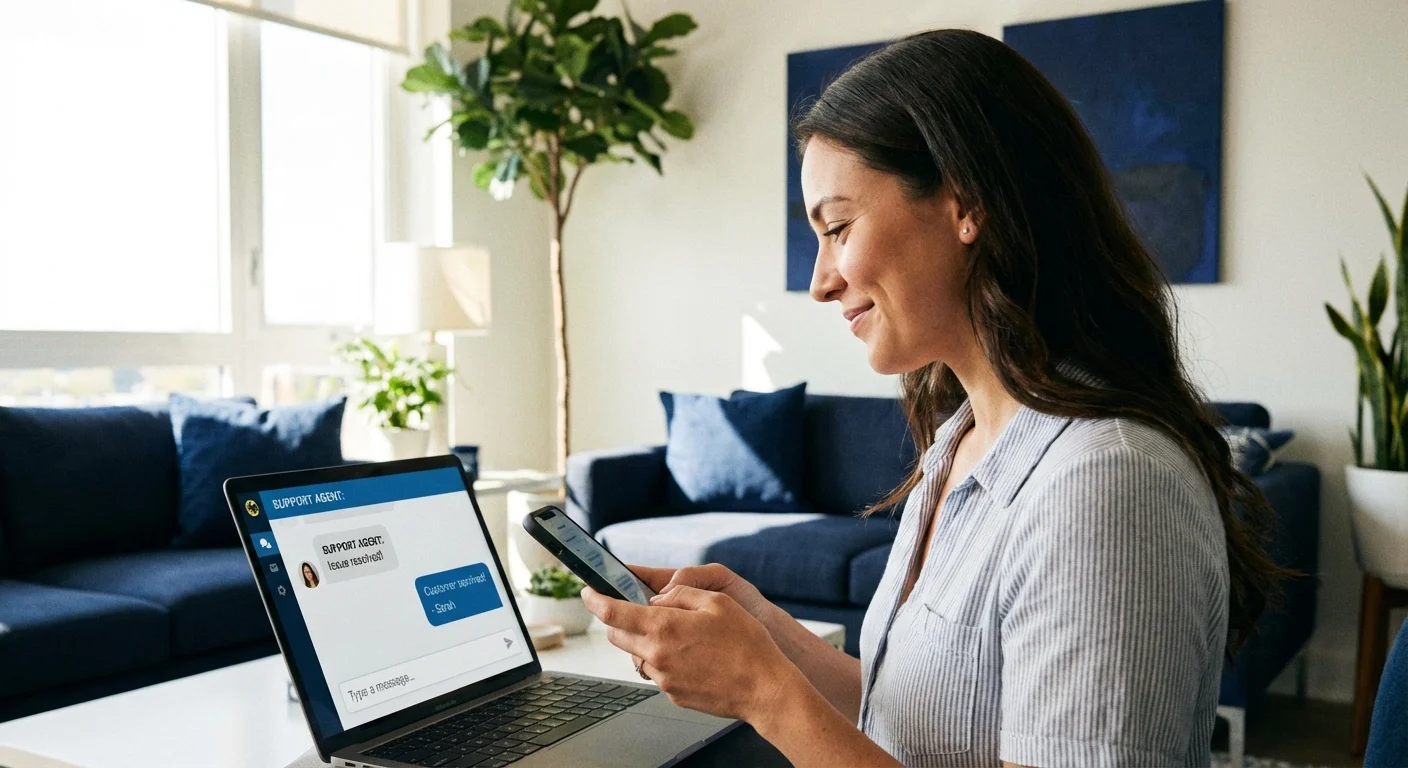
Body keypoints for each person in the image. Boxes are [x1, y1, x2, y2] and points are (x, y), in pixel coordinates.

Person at [582, 29, 1286, 768]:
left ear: (966, 204)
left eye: (838, 226)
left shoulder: (1106, 481)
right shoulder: (961, 441)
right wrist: (768, 635)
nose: (821, 280)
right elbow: (918, 719)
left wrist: (765, 693)